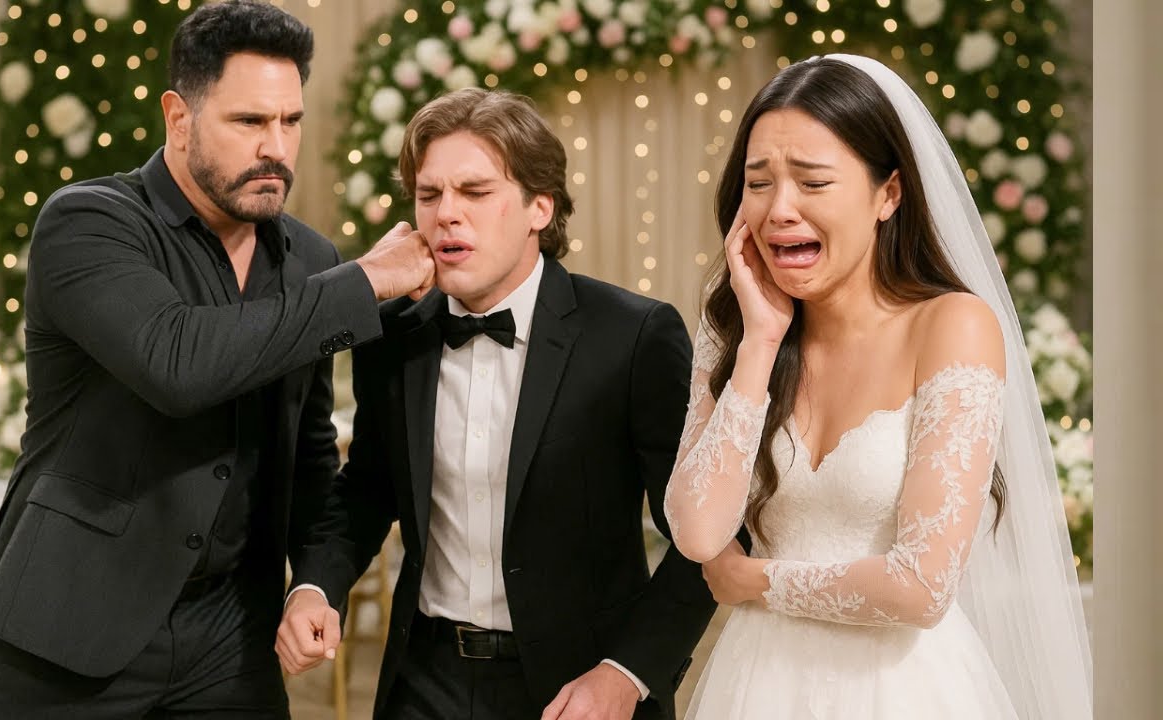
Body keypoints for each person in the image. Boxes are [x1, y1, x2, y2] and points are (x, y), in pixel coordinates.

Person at [0, 1, 433, 717]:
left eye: (291, 121)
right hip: (74, 626)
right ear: (178, 119)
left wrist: (314, 583)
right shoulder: (88, 222)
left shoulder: (310, 260)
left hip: (231, 638)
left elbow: (309, 455)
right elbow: (177, 363)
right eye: (249, 122)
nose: (276, 147)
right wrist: (365, 282)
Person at [663, 54, 1092, 719]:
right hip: (757, 685)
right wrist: (760, 344)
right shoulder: (736, 329)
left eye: (813, 182)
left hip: (902, 690)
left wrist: (756, 580)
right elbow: (696, 534)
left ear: (888, 194)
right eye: (759, 182)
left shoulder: (953, 326)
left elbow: (922, 586)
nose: (780, 210)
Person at [276, 88, 717, 720]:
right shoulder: (393, 334)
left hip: (580, 688)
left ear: (541, 206)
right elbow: (368, 489)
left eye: (475, 192)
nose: (446, 215)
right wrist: (315, 585)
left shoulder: (633, 336)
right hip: (424, 682)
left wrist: (627, 674)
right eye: (429, 195)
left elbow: (703, 542)